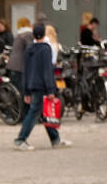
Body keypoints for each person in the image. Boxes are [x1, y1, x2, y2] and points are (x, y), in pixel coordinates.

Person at [15, 21, 72, 150]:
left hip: (32, 85)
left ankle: (55, 139)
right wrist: (51, 89)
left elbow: (26, 71)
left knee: (45, 112)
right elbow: (47, 71)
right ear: (43, 35)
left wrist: (26, 92)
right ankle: (21, 139)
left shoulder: (29, 49)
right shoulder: (46, 49)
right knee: (34, 112)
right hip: (42, 86)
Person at [6, 18, 33, 92]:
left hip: (13, 64)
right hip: (20, 65)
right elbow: (30, 48)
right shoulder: (28, 34)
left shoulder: (18, 35)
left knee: (15, 89)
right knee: (21, 89)